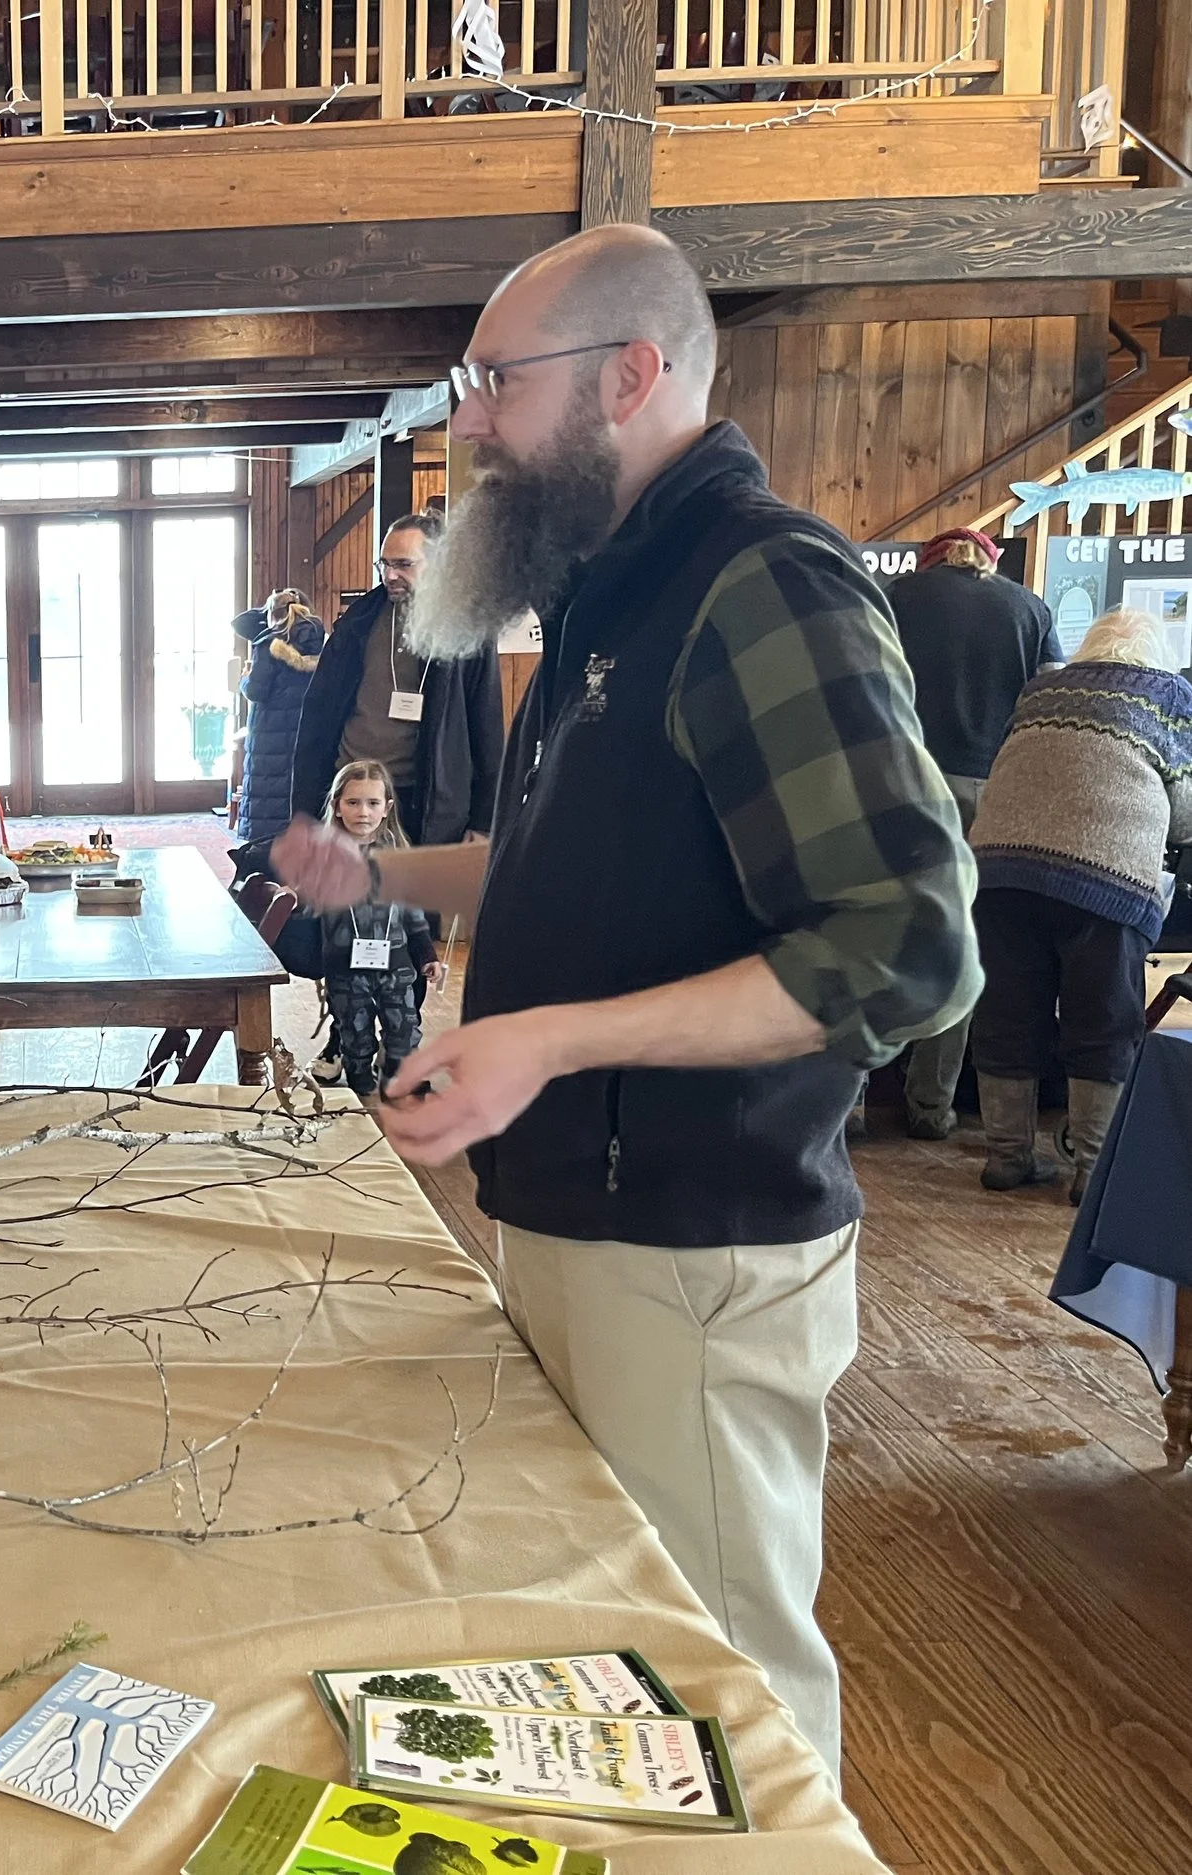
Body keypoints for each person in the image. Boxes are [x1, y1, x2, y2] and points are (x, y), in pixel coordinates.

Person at [271, 225, 978, 1776]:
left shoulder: (764, 585)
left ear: (630, 375)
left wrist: (552, 1039)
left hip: (694, 1243)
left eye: (498, 384)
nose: (469, 425)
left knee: (725, 1679)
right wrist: (376, 876)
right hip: (583, 1219)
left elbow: (907, 947)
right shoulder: (612, 597)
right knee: (616, 1647)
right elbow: (556, 867)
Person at [965, 607, 1192, 1200]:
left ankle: (1007, 1157)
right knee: (1102, 1022)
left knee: (1008, 1014)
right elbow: (1185, 815)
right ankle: (1093, 1173)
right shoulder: (1168, 696)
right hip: (1104, 878)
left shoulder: (1040, 690)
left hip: (999, 869)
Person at [885, 526, 1060, 1138]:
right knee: (963, 944)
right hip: (994, 790)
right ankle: (931, 1106)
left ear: (930, 561)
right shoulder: (1029, 608)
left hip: (904, 783)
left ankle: (850, 1104)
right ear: (990, 561)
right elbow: (1048, 700)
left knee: (879, 932)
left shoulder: (897, 598)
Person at [290, 510, 504, 843]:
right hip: (354, 790)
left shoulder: (468, 627)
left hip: (426, 798)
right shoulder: (359, 620)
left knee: (417, 879)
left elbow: (487, 727)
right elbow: (317, 715)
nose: (390, 575)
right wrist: (303, 811)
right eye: (384, 564)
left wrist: (484, 821)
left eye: (403, 564)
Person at [313, 760, 445, 1092]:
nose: (363, 812)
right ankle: (359, 1079)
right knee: (354, 1031)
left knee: (404, 1027)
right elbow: (306, 910)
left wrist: (427, 955)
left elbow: (413, 913)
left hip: (395, 964)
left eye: (372, 803)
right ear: (337, 806)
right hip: (345, 967)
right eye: (353, 802)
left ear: (386, 808)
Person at [233, 589, 327, 849]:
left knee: (267, 797)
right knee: (294, 794)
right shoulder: (321, 644)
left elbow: (256, 690)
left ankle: (263, 857)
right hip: (306, 731)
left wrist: (244, 679)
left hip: (270, 735)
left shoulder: (269, 645)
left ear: (272, 614)